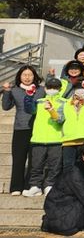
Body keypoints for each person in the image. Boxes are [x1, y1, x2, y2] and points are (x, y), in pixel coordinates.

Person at [41, 141, 84, 236]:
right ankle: (48, 222)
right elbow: (82, 193)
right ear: (83, 155)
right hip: (60, 202)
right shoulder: (75, 170)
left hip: (74, 199)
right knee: (68, 230)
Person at [2, 65, 46, 195]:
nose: (27, 77)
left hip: (37, 128)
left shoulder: (41, 90)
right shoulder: (15, 90)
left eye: (30, 75)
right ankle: (16, 187)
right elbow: (6, 107)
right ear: (19, 76)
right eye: (24, 75)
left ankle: (30, 186)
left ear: (34, 76)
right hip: (20, 128)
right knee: (18, 158)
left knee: (34, 159)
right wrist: (6, 92)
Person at [23, 77, 63, 197]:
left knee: (54, 166)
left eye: (55, 88)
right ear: (45, 89)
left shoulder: (64, 102)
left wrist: (51, 110)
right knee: (36, 165)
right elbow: (29, 110)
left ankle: (50, 185)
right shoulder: (39, 101)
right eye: (50, 87)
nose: (52, 89)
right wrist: (29, 96)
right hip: (38, 138)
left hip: (56, 139)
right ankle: (35, 186)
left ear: (60, 89)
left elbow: (60, 120)